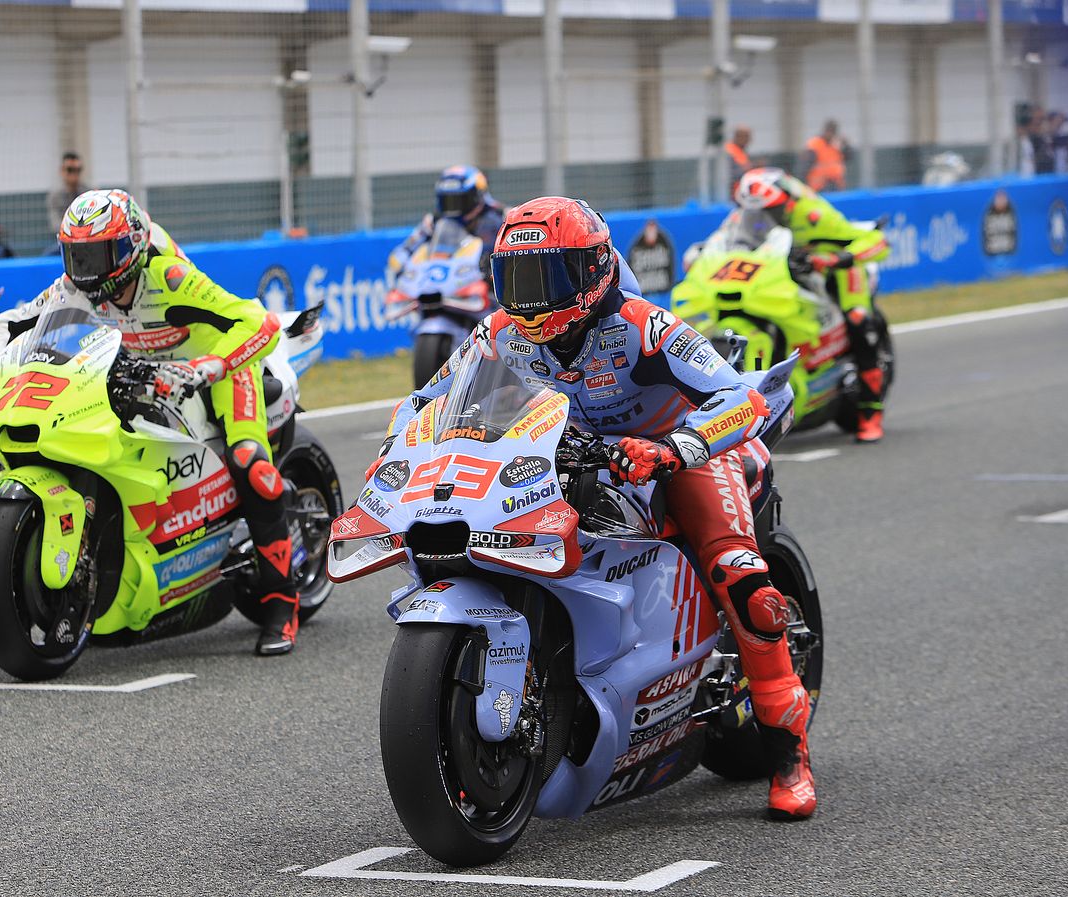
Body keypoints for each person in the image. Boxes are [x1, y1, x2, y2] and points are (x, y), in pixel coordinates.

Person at [373, 195, 817, 820]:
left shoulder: (645, 326)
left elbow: (742, 401)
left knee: (740, 574)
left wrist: (676, 448)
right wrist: (405, 441)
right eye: (515, 279)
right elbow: (430, 399)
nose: (528, 297)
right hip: (566, 459)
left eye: (545, 278)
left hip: (676, 455)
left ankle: (789, 751)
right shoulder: (498, 331)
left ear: (592, 271)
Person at [0, 189, 300, 656]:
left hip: (214, 367)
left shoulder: (168, 277)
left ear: (129, 248)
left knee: (252, 465)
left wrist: (206, 368)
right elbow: (12, 323)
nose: (85, 269)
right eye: (76, 255)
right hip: (139, 370)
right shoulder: (74, 286)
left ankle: (281, 605)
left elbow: (258, 323)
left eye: (96, 255)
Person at [734, 167, 890, 442]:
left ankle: (870, 412)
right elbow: (730, 242)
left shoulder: (816, 216)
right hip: (789, 273)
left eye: (773, 210)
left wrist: (833, 260)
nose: (764, 218)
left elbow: (876, 241)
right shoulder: (750, 216)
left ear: (788, 203)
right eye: (754, 211)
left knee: (858, 320)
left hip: (834, 270)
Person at [387, 165, 505, 278]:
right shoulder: (433, 221)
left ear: (477, 196)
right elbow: (404, 250)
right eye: (447, 200)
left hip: (483, 282)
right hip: (443, 279)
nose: (453, 208)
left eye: (460, 200)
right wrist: (403, 267)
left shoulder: (502, 217)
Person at [44, 152, 91, 233]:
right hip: (65, 237)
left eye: (78, 170)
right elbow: (55, 224)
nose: (74, 173)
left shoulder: (88, 193)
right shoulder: (55, 196)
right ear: (62, 171)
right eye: (70, 170)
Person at [802, 120, 848, 192]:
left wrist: (845, 146)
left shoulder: (837, 144)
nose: (830, 135)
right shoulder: (815, 144)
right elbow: (805, 166)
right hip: (819, 186)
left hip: (836, 184)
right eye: (829, 132)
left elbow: (849, 157)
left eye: (833, 132)